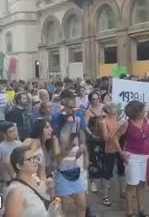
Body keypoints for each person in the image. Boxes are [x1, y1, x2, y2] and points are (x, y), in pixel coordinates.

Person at [113, 101, 149, 216]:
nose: (145, 111)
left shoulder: (145, 119)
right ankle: (130, 211)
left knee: (141, 184)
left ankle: (142, 210)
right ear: (137, 112)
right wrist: (121, 153)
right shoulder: (127, 124)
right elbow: (114, 138)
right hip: (133, 157)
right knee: (132, 184)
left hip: (145, 156)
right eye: (142, 109)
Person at [53, 89, 88, 217]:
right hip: (62, 168)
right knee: (63, 207)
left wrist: (84, 154)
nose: (71, 110)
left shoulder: (79, 117)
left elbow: (83, 139)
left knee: (82, 204)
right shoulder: (57, 117)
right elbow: (56, 150)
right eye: (68, 107)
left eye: (73, 106)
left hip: (76, 165)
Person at [3, 146, 54, 217]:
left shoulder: (37, 181)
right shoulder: (16, 192)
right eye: (30, 159)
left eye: (36, 158)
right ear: (19, 166)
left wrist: (51, 190)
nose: (36, 161)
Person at [85, 90, 106, 194]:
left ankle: (104, 181)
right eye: (93, 99)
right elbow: (85, 126)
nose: (96, 100)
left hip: (104, 137)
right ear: (90, 100)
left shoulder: (104, 107)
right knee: (93, 159)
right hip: (94, 139)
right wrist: (92, 135)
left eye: (97, 98)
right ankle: (92, 182)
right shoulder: (88, 111)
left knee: (104, 159)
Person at [0, 122, 22, 189]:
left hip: (20, 178)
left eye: (14, 130)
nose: (14, 133)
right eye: (10, 131)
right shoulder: (0, 147)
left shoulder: (20, 144)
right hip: (7, 180)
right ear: (5, 134)